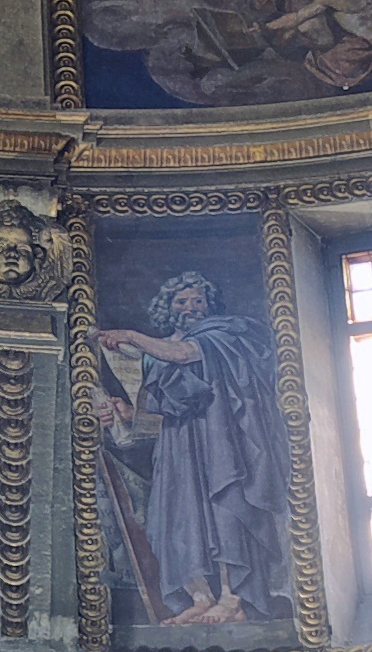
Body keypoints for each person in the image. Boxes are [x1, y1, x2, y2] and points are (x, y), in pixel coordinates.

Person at [97, 269, 291, 631]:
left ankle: (234, 598)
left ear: (210, 304)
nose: (191, 307)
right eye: (181, 301)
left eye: (198, 300)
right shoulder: (158, 353)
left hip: (221, 441)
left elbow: (183, 355)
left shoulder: (221, 334)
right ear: (168, 307)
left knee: (224, 511)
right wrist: (123, 414)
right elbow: (160, 413)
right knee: (173, 519)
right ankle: (199, 598)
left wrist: (130, 336)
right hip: (178, 445)